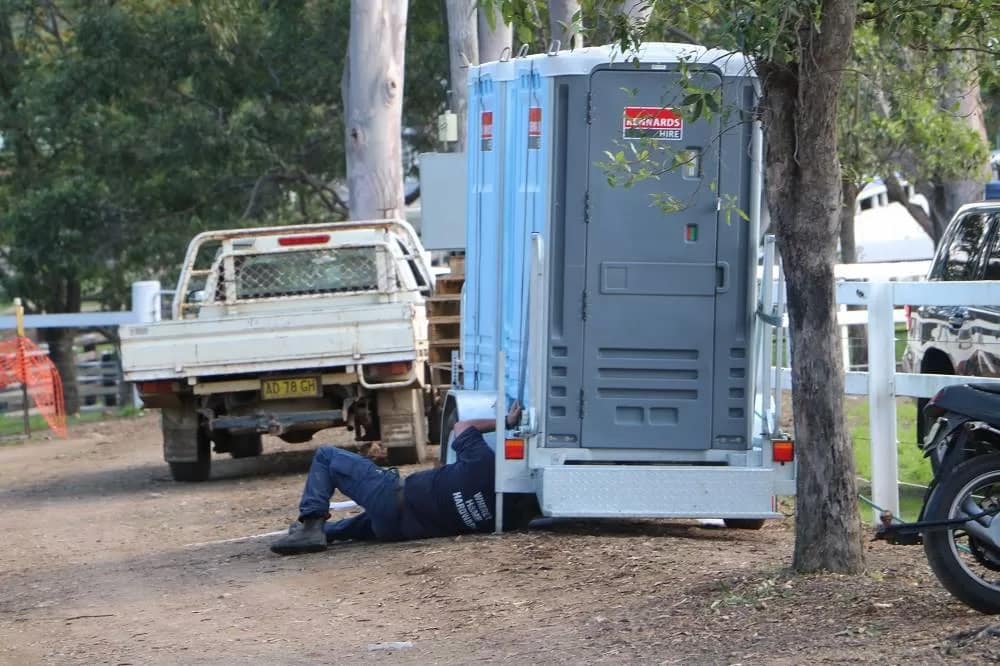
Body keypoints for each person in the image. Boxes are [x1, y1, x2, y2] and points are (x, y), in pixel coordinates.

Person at [270, 401, 535, 555]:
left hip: (395, 500)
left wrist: (508, 422)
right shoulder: (510, 519)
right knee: (365, 523)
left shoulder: (484, 464)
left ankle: (310, 527)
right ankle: (325, 532)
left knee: (327, 456)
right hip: (399, 531)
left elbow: (461, 427)